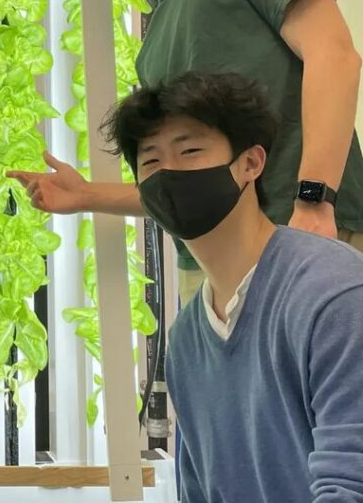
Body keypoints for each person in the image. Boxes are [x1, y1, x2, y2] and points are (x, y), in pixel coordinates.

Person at [12, 0, 363, 304]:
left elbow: (334, 55)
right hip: (211, 266)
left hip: (300, 234)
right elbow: (186, 177)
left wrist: (315, 202)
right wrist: (85, 195)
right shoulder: (153, 45)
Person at [103, 71, 363, 501]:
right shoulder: (186, 339)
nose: (168, 173)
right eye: (150, 161)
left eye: (189, 151)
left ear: (250, 163)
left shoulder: (332, 294)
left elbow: (351, 481)